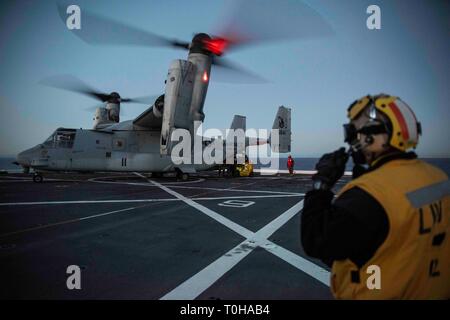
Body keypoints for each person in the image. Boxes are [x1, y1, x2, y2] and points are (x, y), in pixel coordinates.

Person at [301, 94, 449, 299]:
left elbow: (316, 241)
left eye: (354, 132)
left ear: (371, 137)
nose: (353, 141)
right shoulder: (438, 178)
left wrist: (321, 186)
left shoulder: (369, 194)